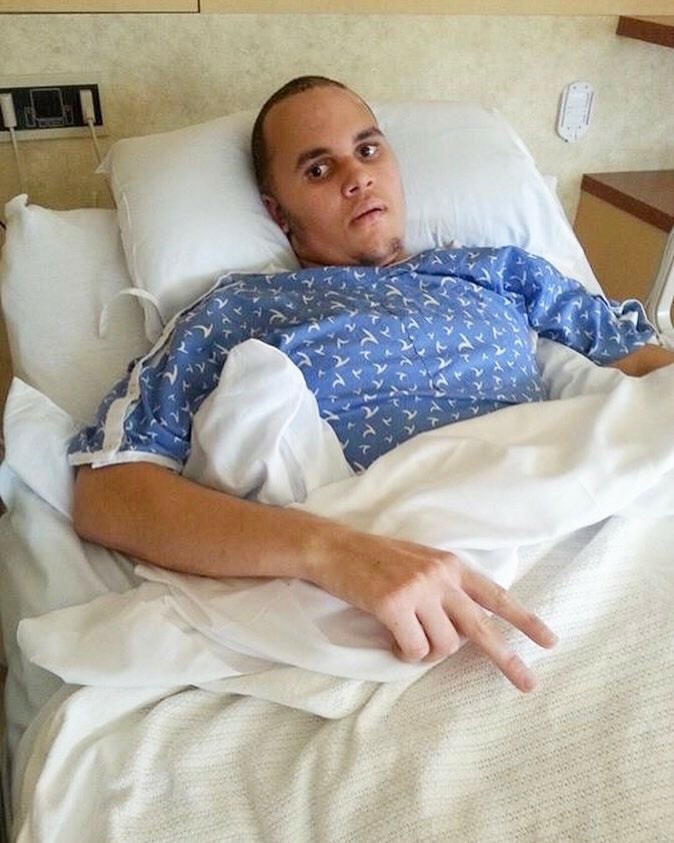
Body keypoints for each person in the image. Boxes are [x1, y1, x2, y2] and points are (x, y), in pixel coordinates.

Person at [71, 76, 674, 694]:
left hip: (562, 532)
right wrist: (331, 553)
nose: (356, 177)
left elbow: (645, 367)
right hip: (370, 582)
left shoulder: (502, 272)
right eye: (318, 169)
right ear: (278, 213)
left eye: (367, 150)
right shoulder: (233, 312)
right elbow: (108, 493)